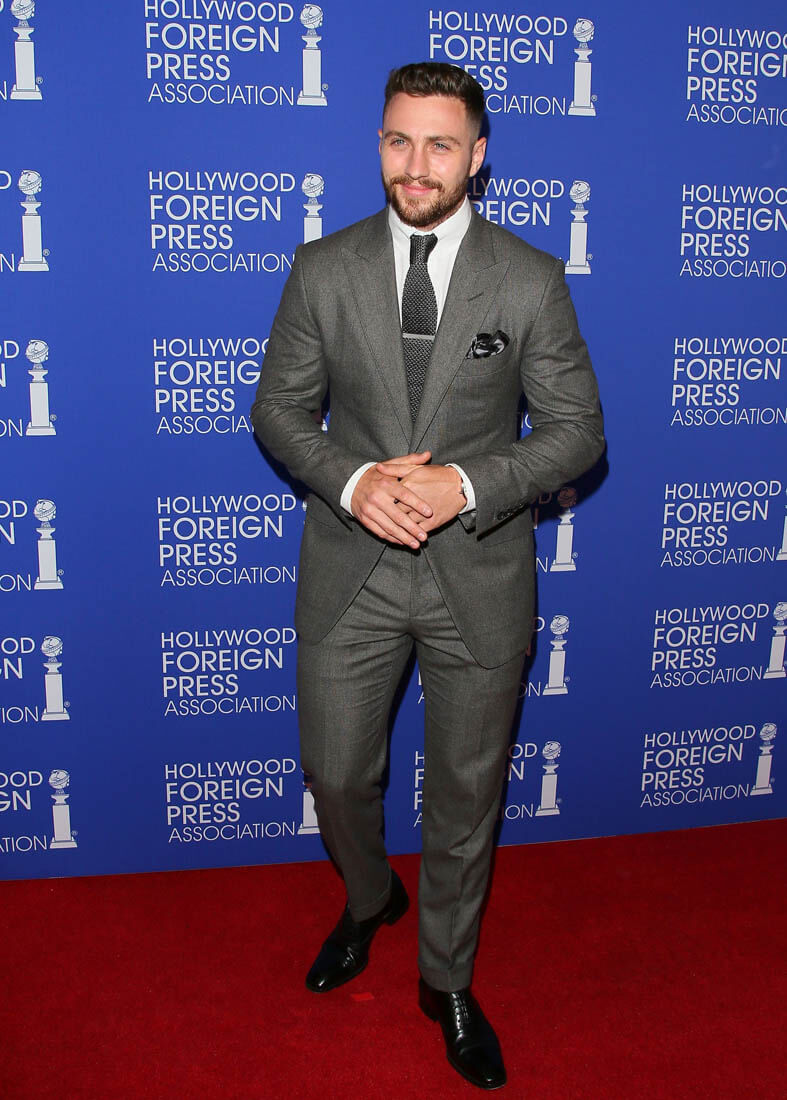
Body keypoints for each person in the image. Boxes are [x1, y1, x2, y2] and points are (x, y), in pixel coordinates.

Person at [251, 61, 604, 1091]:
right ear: (379, 143)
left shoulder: (528, 278)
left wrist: (467, 482)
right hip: (350, 568)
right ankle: (370, 899)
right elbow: (278, 409)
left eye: (439, 144)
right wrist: (354, 479)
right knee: (335, 774)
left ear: (477, 156)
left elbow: (578, 433)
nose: (416, 164)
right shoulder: (323, 267)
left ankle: (444, 977)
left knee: (464, 794)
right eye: (398, 140)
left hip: (476, 578)